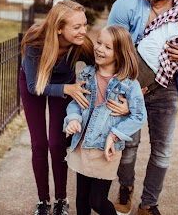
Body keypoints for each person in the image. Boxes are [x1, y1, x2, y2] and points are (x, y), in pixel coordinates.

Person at [107, 0, 178, 215]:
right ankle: (126, 186)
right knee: (128, 144)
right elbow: (110, 45)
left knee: (162, 149)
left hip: (166, 87)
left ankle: (149, 203)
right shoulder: (126, 2)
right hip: (131, 82)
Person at [19, 0, 95, 215]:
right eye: (77, 27)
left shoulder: (81, 44)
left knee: (57, 143)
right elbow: (35, 86)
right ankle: (43, 201)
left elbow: (101, 67)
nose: (83, 31)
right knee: (39, 144)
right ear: (59, 29)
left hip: (65, 84)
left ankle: (61, 199)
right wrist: (68, 89)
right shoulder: (36, 41)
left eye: (85, 24)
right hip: (35, 84)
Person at [63, 25, 147, 215]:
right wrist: (73, 119)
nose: (99, 49)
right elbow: (77, 103)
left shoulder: (128, 83)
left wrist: (115, 134)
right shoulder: (87, 73)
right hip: (83, 143)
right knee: (82, 199)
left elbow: (139, 115)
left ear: (120, 54)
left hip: (105, 149)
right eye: (99, 43)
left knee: (98, 201)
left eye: (107, 47)